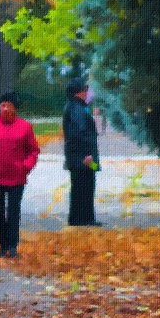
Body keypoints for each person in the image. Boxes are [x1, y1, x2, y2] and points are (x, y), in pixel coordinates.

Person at [0, 92, 41, 258]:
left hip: (16, 177)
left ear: (14, 108)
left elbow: (33, 150)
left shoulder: (25, 127)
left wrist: (25, 166)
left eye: (8, 105)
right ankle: (2, 244)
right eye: (2, 105)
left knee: (13, 211)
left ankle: (12, 245)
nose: (5, 108)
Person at [62, 78, 101, 226]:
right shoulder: (76, 108)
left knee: (86, 184)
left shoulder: (76, 106)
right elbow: (79, 133)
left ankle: (85, 218)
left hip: (81, 156)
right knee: (83, 186)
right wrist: (86, 156)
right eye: (85, 90)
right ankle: (81, 219)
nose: (87, 93)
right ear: (80, 91)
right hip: (83, 157)